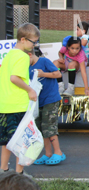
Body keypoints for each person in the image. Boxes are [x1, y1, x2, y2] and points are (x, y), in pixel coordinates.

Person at [0, 23, 39, 178]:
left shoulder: (10, 54)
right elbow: (14, 78)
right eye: (33, 42)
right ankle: (19, 173)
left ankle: (3, 170)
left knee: (8, 141)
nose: (34, 45)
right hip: (18, 104)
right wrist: (30, 90)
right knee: (21, 141)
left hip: (5, 104)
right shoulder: (22, 57)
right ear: (23, 39)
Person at [28, 49, 66, 166]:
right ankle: (48, 153)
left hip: (50, 99)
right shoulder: (26, 67)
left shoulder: (44, 61)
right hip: (38, 101)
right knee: (41, 127)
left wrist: (43, 74)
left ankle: (58, 152)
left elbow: (58, 74)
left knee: (49, 126)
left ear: (30, 55)